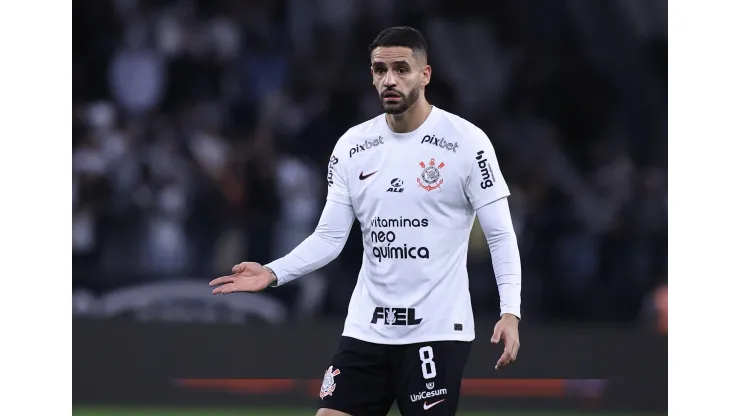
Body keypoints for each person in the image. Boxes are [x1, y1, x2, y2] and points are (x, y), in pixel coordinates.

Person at [209, 26, 522, 416]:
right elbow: (329, 237)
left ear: (425, 75)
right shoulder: (353, 147)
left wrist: (510, 311)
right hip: (366, 329)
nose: (389, 79)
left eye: (401, 69)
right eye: (379, 69)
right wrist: (273, 273)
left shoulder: (467, 143)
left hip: (437, 332)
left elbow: (500, 235)